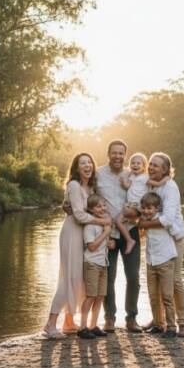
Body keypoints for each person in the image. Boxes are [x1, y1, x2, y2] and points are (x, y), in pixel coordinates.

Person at [43, 153, 111, 339]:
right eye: (83, 163)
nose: (87, 165)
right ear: (76, 167)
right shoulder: (73, 186)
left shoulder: (90, 187)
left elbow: (87, 210)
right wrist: (102, 222)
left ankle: (69, 321)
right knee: (69, 279)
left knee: (79, 279)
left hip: (84, 234)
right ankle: (50, 324)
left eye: (90, 162)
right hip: (72, 233)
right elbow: (80, 215)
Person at [139, 152, 184, 338]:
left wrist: (143, 224)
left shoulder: (170, 187)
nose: (151, 167)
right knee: (156, 281)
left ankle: (182, 324)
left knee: (175, 280)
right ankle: (158, 320)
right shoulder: (150, 183)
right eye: (150, 164)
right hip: (157, 238)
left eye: (156, 165)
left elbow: (167, 219)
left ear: (166, 170)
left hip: (174, 237)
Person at [97, 140, 142, 333]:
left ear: (125, 155)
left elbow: (144, 201)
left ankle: (131, 318)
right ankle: (109, 318)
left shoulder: (132, 175)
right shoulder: (98, 174)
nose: (117, 156)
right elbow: (88, 198)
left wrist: (136, 213)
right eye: (114, 153)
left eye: (121, 153)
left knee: (133, 277)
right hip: (108, 234)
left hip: (130, 231)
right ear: (108, 154)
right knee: (109, 278)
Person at [139, 192, 179, 339]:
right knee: (153, 296)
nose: (146, 211)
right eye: (144, 208)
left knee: (167, 296)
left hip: (165, 261)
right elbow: (141, 234)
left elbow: (177, 232)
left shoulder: (163, 221)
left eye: (150, 208)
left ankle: (172, 327)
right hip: (151, 262)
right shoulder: (144, 221)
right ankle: (158, 324)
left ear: (157, 208)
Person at [116, 153, 168, 255]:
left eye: (138, 163)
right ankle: (130, 238)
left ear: (144, 166)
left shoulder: (145, 177)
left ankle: (130, 240)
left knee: (119, 220)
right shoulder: (132, 177)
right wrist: (123, 183)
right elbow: (128, 187)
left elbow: (157, 184)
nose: (135, 165)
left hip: (138, 205)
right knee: (119, 221)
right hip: (131, 204)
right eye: (133, 163)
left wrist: (166, 178)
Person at [78, 194, 114, 339]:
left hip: (103, 263)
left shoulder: (103, 224)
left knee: (100, 296)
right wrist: (105, 233)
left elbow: (102, 244)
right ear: (91, 210)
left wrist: (110, 243)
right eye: (99, 206)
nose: (102, 208)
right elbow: (91, 247)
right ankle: (82, 327)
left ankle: (93, 326)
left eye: (104, 205)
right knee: (90, 296)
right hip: (92, 263)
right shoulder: (89, 226)